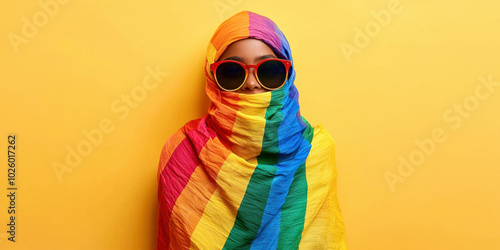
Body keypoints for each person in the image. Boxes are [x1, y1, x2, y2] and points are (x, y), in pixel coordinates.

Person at [157, 10, 347, 249]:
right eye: (231, 72)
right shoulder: (182, 151)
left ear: (287, 76)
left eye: (269, 70)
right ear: (212, 77)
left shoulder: (315, 151)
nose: (251, 83)